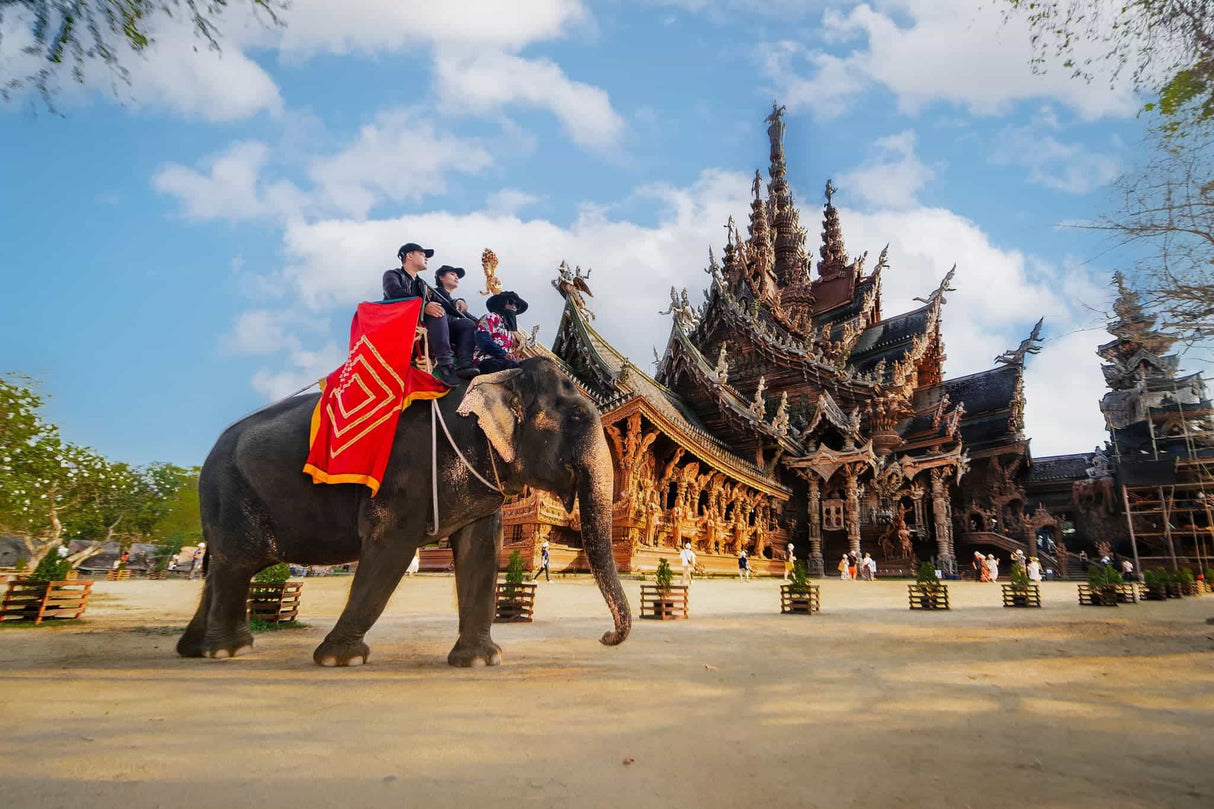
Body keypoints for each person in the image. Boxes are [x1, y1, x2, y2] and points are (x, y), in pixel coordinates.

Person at [382, 243, 476, 388]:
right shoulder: (393, 275)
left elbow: (445, 302)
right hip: (404, 326)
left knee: (466, 324)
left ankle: (464, 365)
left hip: (427, 328)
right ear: (409, 255)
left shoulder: (423, 284)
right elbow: (394, 293)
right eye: (422, 254)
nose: (426, 258)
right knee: (436, 311)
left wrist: (458, 301)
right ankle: (446, 365)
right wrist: (424, 306)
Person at [474, 290, 529, 374]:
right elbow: (482, 338)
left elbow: (510, 353)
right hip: (485, 360)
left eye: (517, 305)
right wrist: (503, 354)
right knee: (517, 369)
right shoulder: (492, 317)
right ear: (502, 303)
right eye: (511, 302)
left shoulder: (510, 332)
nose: (514, 306)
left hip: (504, 362)